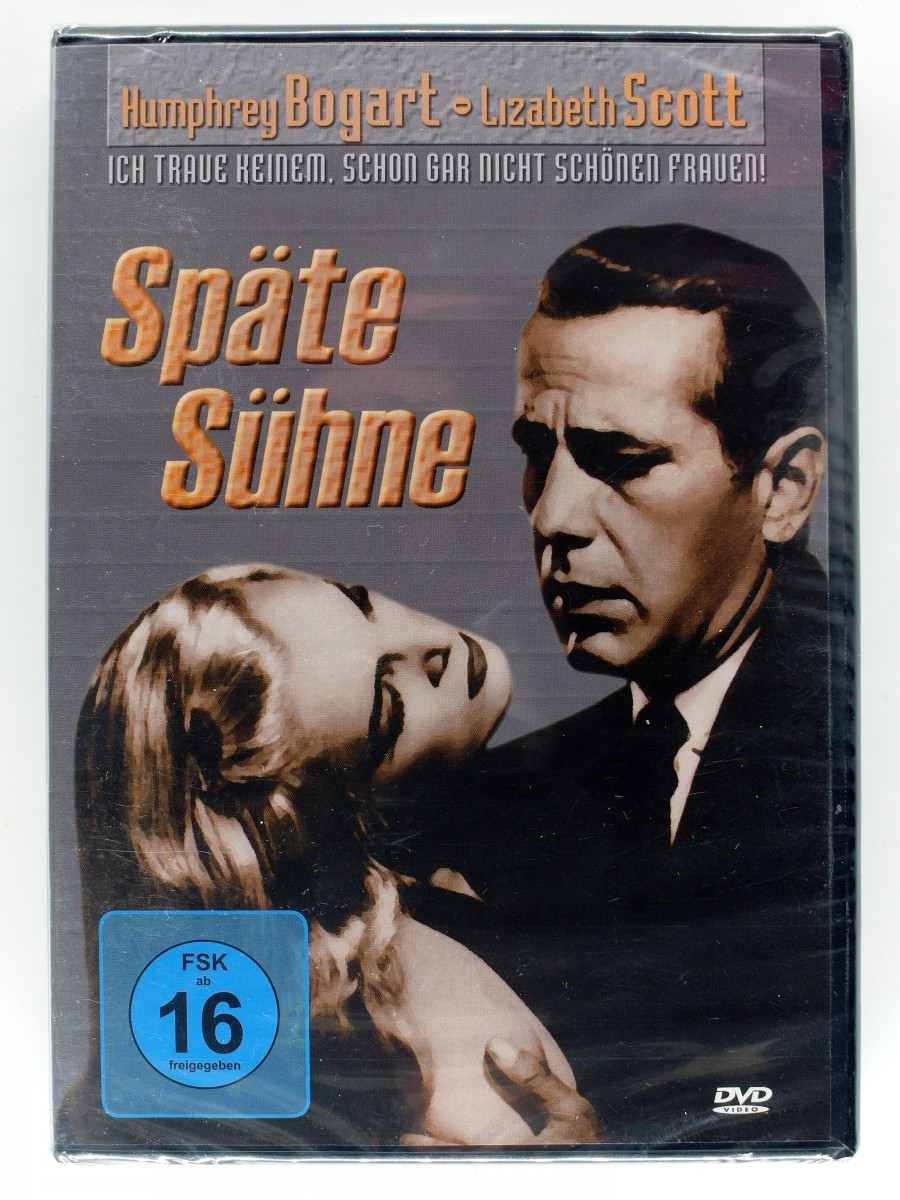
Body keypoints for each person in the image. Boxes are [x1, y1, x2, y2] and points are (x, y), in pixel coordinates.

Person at [391, 224, 836, 1145]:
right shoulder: (484, 808)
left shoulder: (861, 762)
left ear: (784, 489)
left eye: (623, 460)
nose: (554, 517)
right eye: (537, 452)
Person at [58, 565, 601, 1153]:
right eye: (390, 708)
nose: (433, 652)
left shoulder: (565, 786)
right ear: (336, 823)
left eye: (362, 604)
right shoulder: (409, 1005)